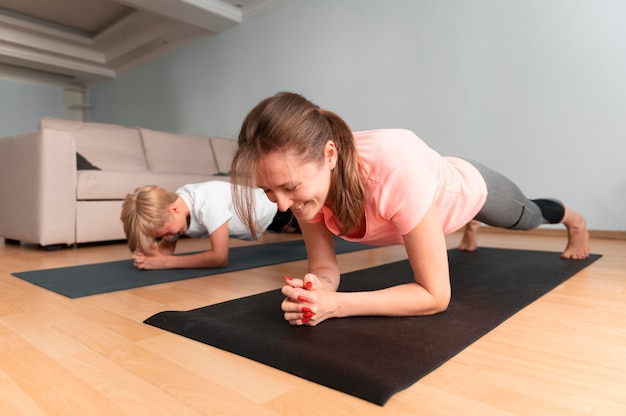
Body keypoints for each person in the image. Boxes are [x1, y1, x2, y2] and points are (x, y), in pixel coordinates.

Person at [230, 91, 589, 327]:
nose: (281, 204)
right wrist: (318, 289)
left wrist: (336, 305)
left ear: (329, 156)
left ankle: (574, 220)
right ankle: (471, 228)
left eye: (289, 188)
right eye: (268, 191)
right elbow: (325, 266)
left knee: (528, 217)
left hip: (468, 187)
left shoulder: (393, 171)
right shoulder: (306, 193)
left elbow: (435, 296)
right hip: (427, 191)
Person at [120, 181, 299, 270]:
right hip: (266, 224)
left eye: (166, 232)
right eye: (160, 236)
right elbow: (167, 252)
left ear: (173, 209)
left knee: (320, 227)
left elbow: (219, 258)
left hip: (275, 209)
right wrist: (151, 256)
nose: (168, 237)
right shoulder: (174, 210)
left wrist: (165, 262)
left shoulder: (207, 202)